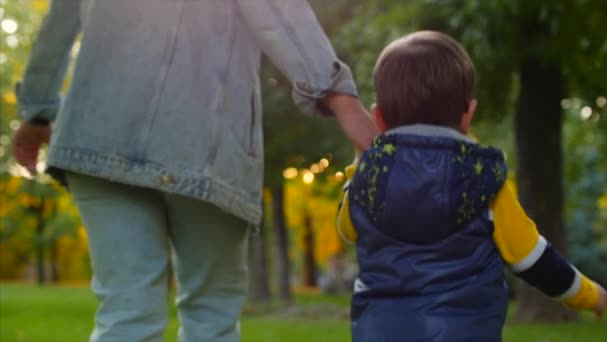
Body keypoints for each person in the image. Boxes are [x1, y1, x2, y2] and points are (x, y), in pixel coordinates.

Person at [12, 0, 378, 341]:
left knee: (127, 314)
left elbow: (58, 22)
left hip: (102, 129)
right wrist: (337, 96)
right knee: (211, 317)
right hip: (207, 143)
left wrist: (37, 108)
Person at [336, 31, 607, 341]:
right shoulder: (483, 182)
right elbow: (532, 258)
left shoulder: (368, 181)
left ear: (379, 119)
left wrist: (361, 163)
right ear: (468, 115)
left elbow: (347, 228)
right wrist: (589, 294)